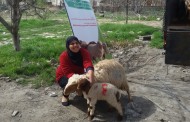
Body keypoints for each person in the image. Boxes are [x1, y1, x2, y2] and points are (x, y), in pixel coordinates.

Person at [56, 36, 95, 106]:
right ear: (68, 46)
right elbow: (68, 72)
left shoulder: (84, 52)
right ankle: (65, 95)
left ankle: (81, 91)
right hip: (64, 75)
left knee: (87, 81)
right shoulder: (63, 56)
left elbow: (87, 63)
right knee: (70, 84)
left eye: (77, 43)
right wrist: (78, 80)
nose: (75, 45)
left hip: (79, 73)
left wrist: (91, 76)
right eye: (72, 44)